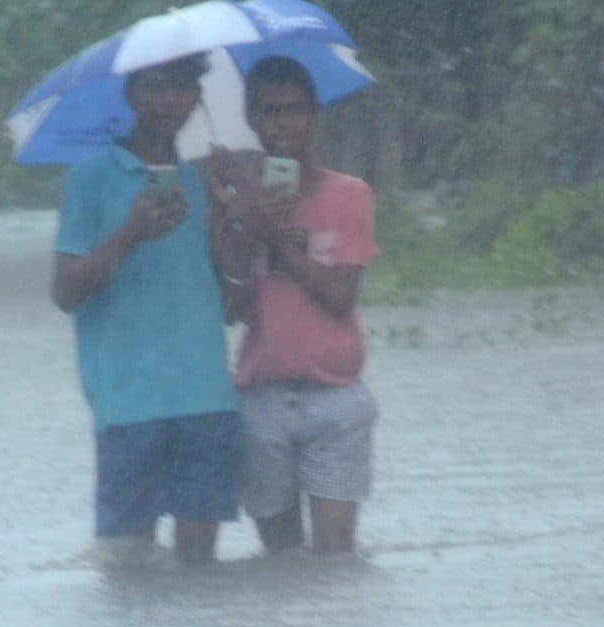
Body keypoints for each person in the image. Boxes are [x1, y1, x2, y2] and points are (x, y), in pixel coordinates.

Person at [51, 54, 242, 566]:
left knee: (200, 574)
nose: (167, 100)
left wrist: (232, 212)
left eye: (180, 89)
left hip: (206, 397)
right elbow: (65, 292)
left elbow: (233, 302)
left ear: (197, 101)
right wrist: (131, 234)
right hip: (128, 401)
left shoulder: (203, 181)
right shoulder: (89, 179)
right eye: (154, 87)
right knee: (125, 567)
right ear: (130, 94)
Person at [211, 55, 379, 556]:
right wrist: (239, 223)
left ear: (314, 116)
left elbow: (339, 296)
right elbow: (231, 308)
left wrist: (278, 239)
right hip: (262, 396)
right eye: (269, 112)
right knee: (280, 564)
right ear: (252, 121)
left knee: (334, 560)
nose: (282, 124)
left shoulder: (350, 195)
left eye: (293, 111)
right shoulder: (238, 201)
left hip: (335, 398)